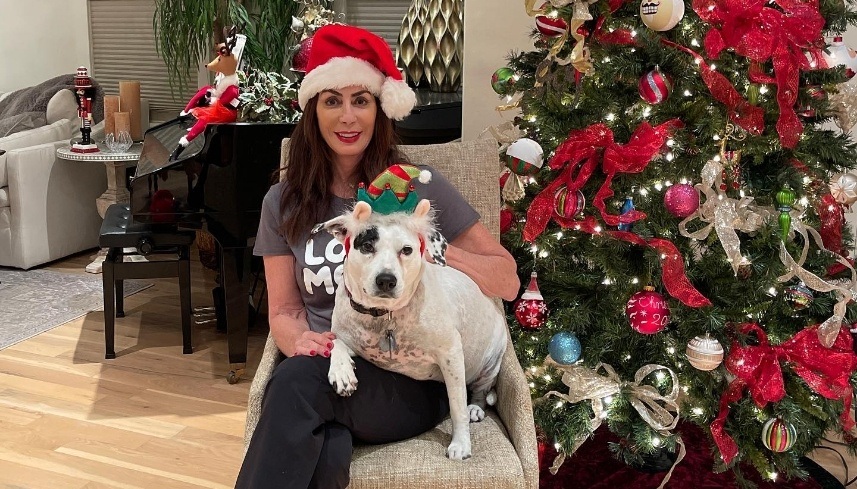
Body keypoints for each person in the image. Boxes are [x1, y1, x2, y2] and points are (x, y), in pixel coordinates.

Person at [235, 24, 520, 489]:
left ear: (380, 108)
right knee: (323, 439)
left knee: (293, 387)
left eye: (360, 100)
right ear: (313, 112)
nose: (347, 117)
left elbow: (507, 279)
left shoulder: (419, 187)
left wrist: (435, 253)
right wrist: (301, 343)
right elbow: (285, 310)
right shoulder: (282, 203)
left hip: (413, 382)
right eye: (332, 100)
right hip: (333, 364)